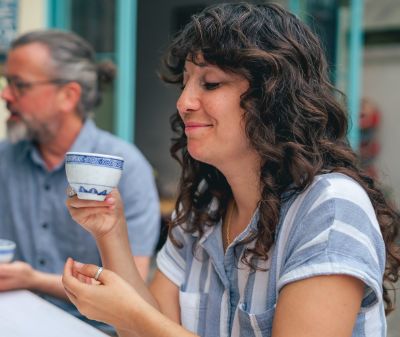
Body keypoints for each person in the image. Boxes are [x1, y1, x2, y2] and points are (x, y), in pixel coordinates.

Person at [62, 3, 400, 337]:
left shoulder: (330, 208)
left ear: (273, 97)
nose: (183, 102)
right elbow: (149, 330)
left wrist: (132, 314)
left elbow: (144, 323)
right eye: (185, 83)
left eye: (210, 84)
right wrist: (110, 231)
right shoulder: (202, 208)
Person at [0, 30, 160, 333]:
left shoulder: (126, 168)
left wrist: (31, 279)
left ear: (69, 95)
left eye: (19, 85)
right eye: (7, 83)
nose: (5, 95)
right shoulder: (4, 159)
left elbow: (132, 294)